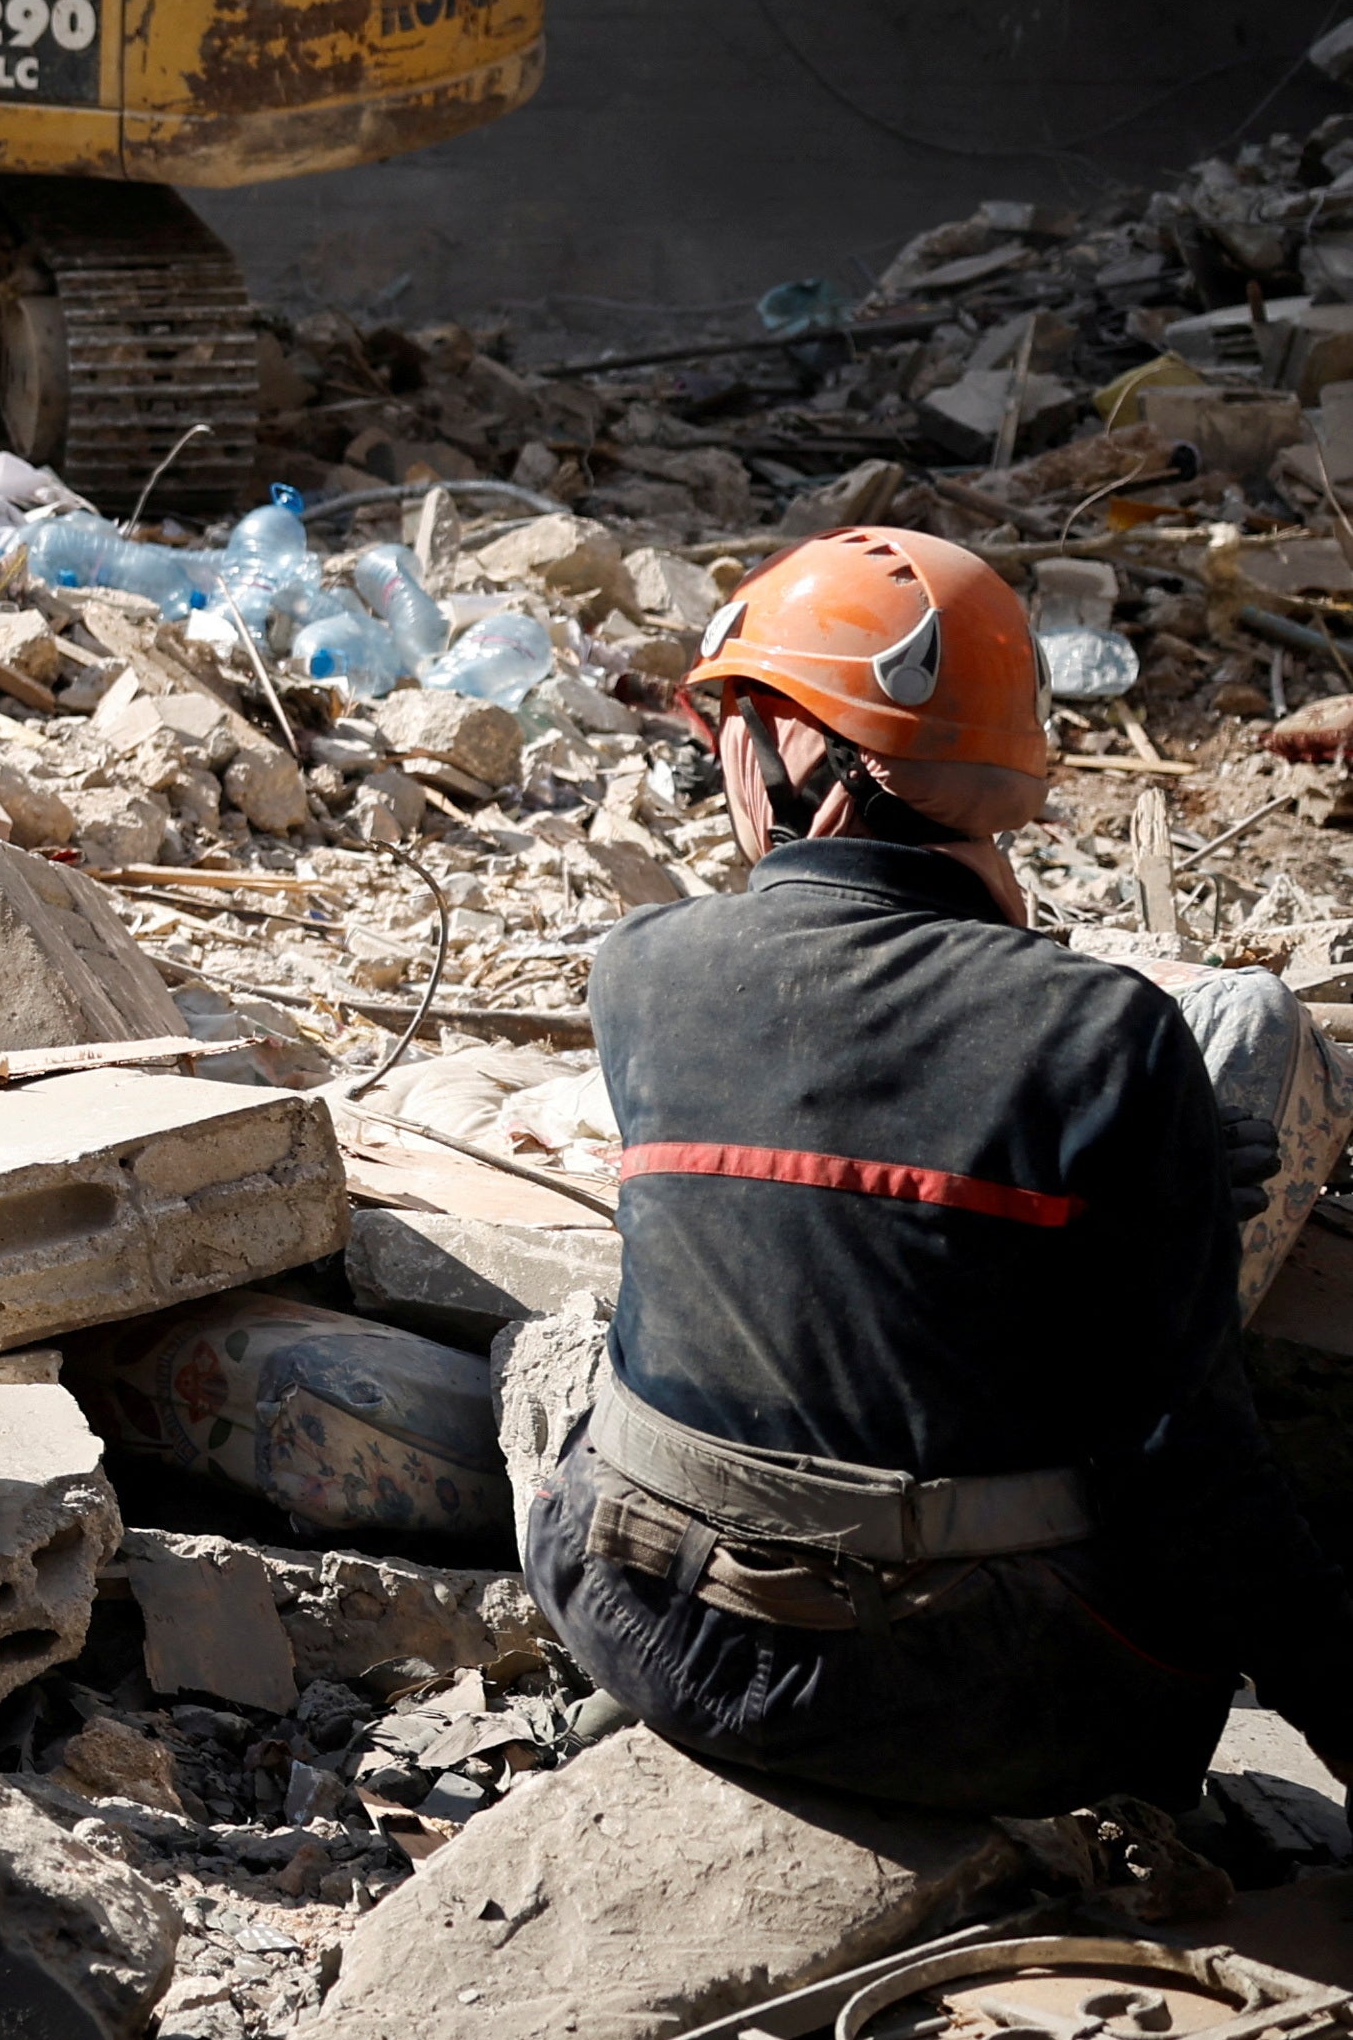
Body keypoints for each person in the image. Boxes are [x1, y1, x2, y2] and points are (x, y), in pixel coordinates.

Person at [517, 525, 1353, 1809]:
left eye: (731, 721)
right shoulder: (1100, 1032)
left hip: (649, 1635)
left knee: (557, 1351)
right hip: (986, 1711)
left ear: (796, 742)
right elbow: (1197, 1481)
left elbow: (819, 1201)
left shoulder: (640, 966)